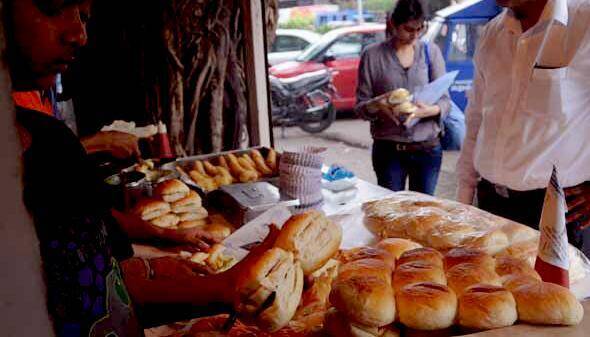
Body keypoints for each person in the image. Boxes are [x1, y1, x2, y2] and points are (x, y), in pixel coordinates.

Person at [6, 0, 277, 336]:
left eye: (84, 17)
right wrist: (222, 287)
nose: (79, 34)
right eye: (55, 5)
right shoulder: (37, 153)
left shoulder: (50, 141)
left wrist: (220, 285)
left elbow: (105, 293)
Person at [457, 0, 590, 257]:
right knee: (491, 294)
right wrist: (463, 199)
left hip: (555, 214)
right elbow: (476, 119)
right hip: (490, 207)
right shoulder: (493, 33)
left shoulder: (583, 23)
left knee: (554, 296)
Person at [355, 0, 451, 196]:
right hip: (389, 150)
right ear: (393, 24)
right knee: (390, 211)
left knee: (423, 211)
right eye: (408, 29)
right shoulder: (372, 56)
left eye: (420, 29)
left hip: (427, 149)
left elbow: (445, 102)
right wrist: (377, 105)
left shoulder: (430, 52)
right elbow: (360, 107)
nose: (415, 35)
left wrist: (426, 111)